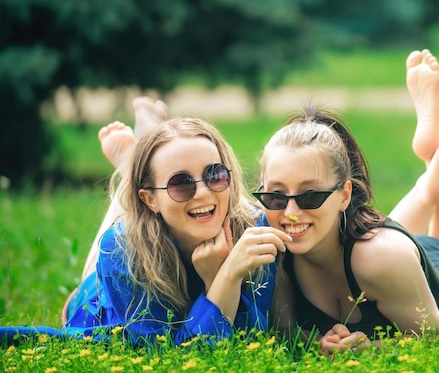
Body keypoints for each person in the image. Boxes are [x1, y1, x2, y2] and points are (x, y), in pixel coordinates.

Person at [258, 49, 439, 354]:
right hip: (385, 248)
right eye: (276, 195)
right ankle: (432, 178)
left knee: (378, 254)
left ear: (344, 195)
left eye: (310, 196)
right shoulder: (271, 253)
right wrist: (316, 343)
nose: (291, 212)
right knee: (372, 247)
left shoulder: (381, 258)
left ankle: (437, 168)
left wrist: (372, 347)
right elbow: (287, 333)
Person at [1, 99, 292, 346]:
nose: (204, 191)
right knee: (122, 230)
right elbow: (170, 355)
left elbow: (248, 335)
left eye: (215, 174)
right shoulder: (120, 252)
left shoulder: (253, 229)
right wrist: (225, 277)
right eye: (181, 183)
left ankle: (136, 158)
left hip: (153, 214)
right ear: (150, 199)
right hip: (101, 301)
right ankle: (132, 162)